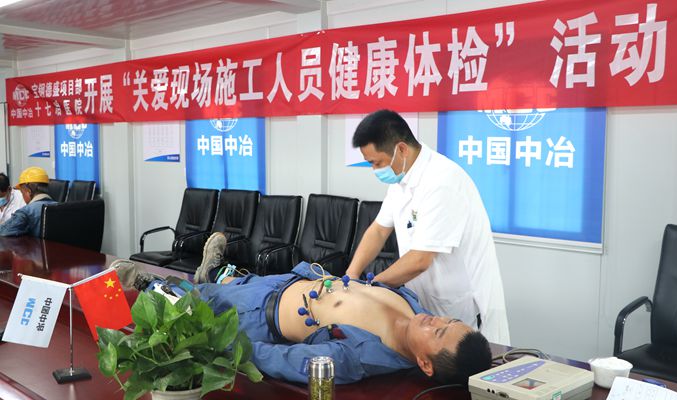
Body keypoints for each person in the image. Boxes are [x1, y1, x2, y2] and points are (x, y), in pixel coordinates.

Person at [117, 232, 493, 385]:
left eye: (438, 332)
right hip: (286, 282)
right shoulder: (412, 305)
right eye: (448, 320)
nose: (435, 319)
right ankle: (212, 271)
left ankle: (148, 284)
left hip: (259, 316)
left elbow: (284, 360)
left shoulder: (361, 357)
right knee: (229, 283)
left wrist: (223, 346)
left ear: (425, 364)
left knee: (194, 306)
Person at [344, 110, 510, 346]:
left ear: (401, 149)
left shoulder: (442, 181)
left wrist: (371, 289)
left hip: (462, 309)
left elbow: (420, 260)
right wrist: (351, 275)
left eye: (377, 162)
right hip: (428, 304)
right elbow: (379, 230)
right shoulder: (401, 179)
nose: (375, 170)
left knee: (461, 363)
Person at [0, 167, 56, 237]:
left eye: (22, 192)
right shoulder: (62, 208)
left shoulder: (26, 212)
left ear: (28, 191)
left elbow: (2, 231)